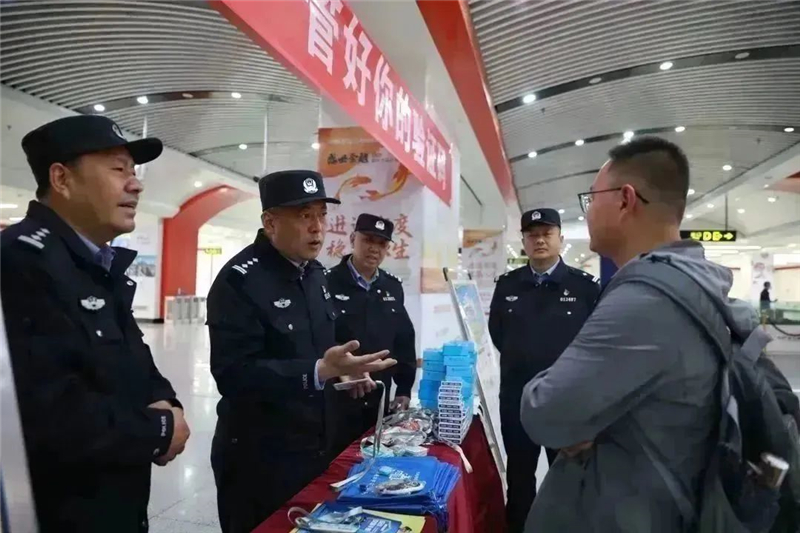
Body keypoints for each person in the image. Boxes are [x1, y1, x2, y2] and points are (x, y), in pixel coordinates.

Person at [520, 137, 757, 532]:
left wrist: (577, 413)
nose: (588, 210)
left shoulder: (646, 301)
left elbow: (544, 412)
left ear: (625, 200)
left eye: (591, 198)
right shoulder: (692, 283)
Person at [1, 115, 190, 533]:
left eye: (134, 171)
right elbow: (41, 413)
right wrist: (157, 431)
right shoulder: (19, 263)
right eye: (119, 169)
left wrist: (165, 399)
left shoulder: (95, 265)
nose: (136, 185)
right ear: (62, 179)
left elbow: (136, 359)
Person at [207, 170, 397, 533]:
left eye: (321, 215)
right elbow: (233, 375)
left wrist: (344, 370)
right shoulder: (239, 281)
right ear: (270, 222)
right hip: (259, 459)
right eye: (304, 216)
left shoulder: (314, 274)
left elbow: (322, 348)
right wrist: (318, 371)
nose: (317, 228)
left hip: (314, 446)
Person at [488, 207, 599, 533]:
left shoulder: (584, 288)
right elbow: (498, 334)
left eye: (546, 234)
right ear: (523, 240)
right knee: (519, 477)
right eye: (532, 235)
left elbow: (595, 344)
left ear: (560, 238)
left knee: (567, 477)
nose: (539, 240)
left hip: (565, 401)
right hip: (517, 398)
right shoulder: (508, 285)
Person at [325, 213, 417, 455]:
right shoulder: (326, 283)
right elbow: (318, 336)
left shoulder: (392, 287)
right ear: (352, 239)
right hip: (339, 394)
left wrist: (404, 388)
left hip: (379, 394)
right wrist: (343, 369)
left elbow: (404, 338)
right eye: (367, 240)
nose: (374, 249)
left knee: (374, 457)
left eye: (382, 244)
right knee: (337, 462)